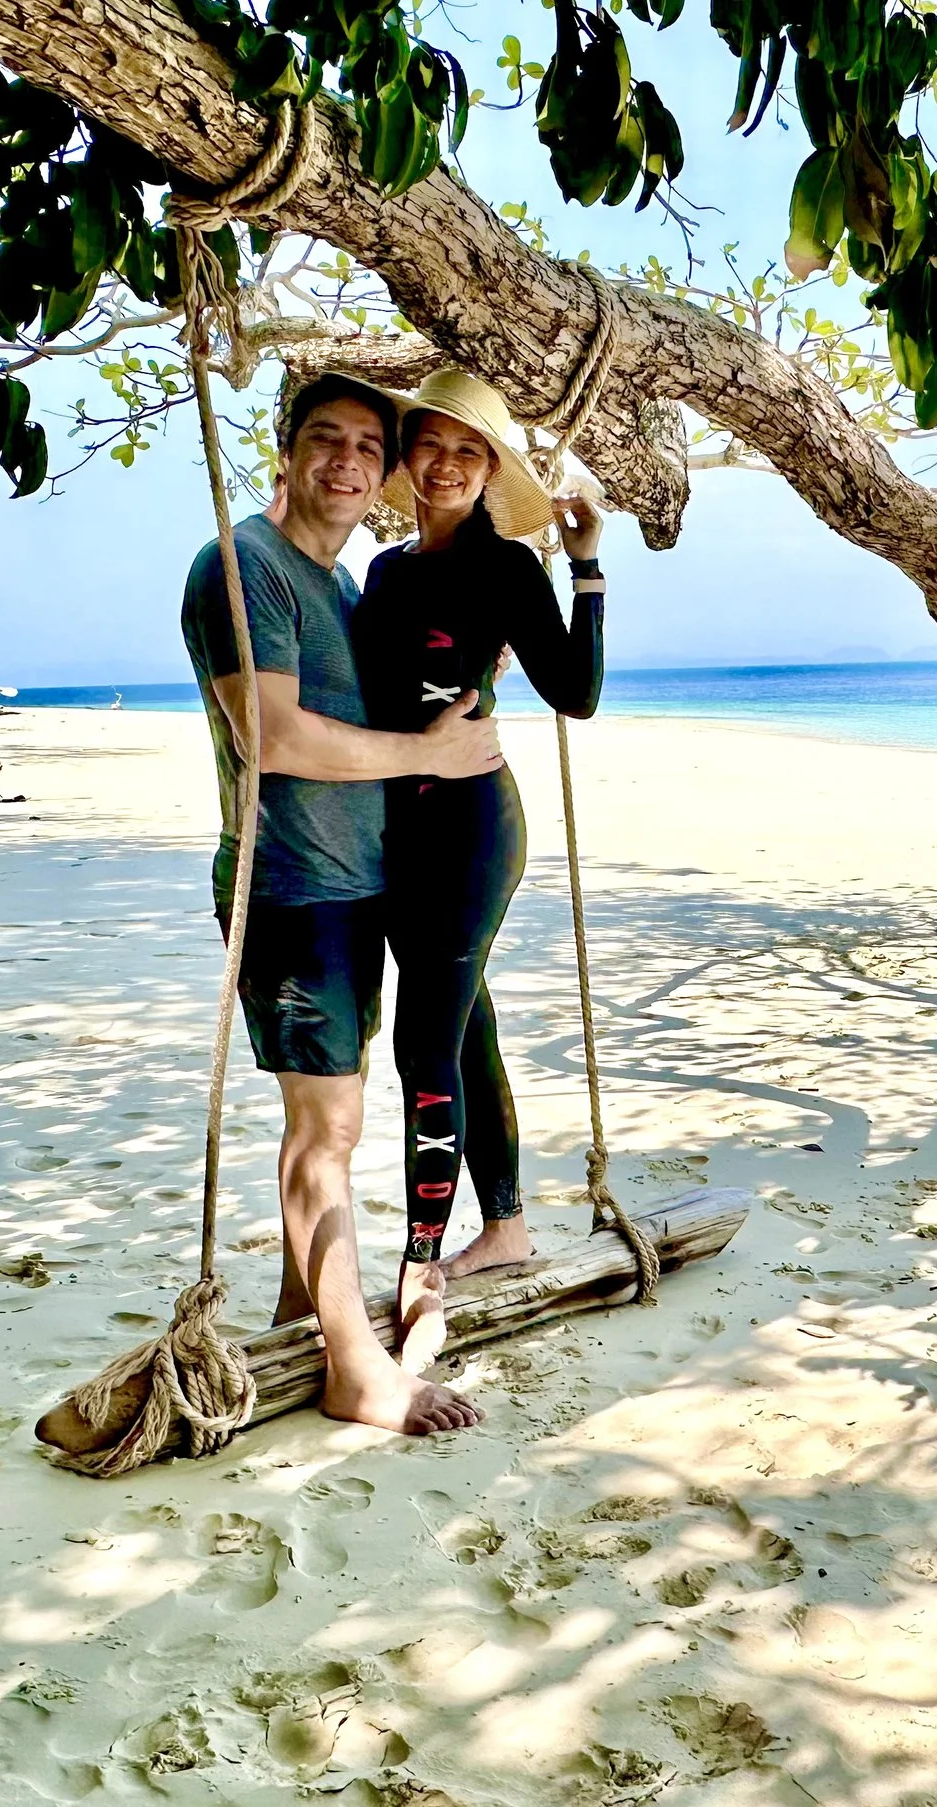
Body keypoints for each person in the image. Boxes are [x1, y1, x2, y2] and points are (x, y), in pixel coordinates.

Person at [179, 371, 504, 1437]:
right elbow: (267, 736)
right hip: (289, 889)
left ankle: (295, 1308)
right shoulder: (243, 568)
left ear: (388, 474)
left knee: (330, 1121)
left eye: (369, 447)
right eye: (325, 439)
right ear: (287, 451)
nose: (348, 462)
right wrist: (429, 753)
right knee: (326, 1128)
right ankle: (356, 1372)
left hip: (357, 888)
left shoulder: (344, 591)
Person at [350, 369, 607, 1301]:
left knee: (423, 1040)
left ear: (489, 467)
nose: (447, 463)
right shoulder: (384, 572)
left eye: (469, 450)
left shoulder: (507, 569)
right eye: (432, 444)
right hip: (396, 836)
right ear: (408, 456)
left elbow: (575, 694)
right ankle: (504, 1229)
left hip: (471, 831)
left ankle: (422, 1261)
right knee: (465, 1032)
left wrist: (585, 571)